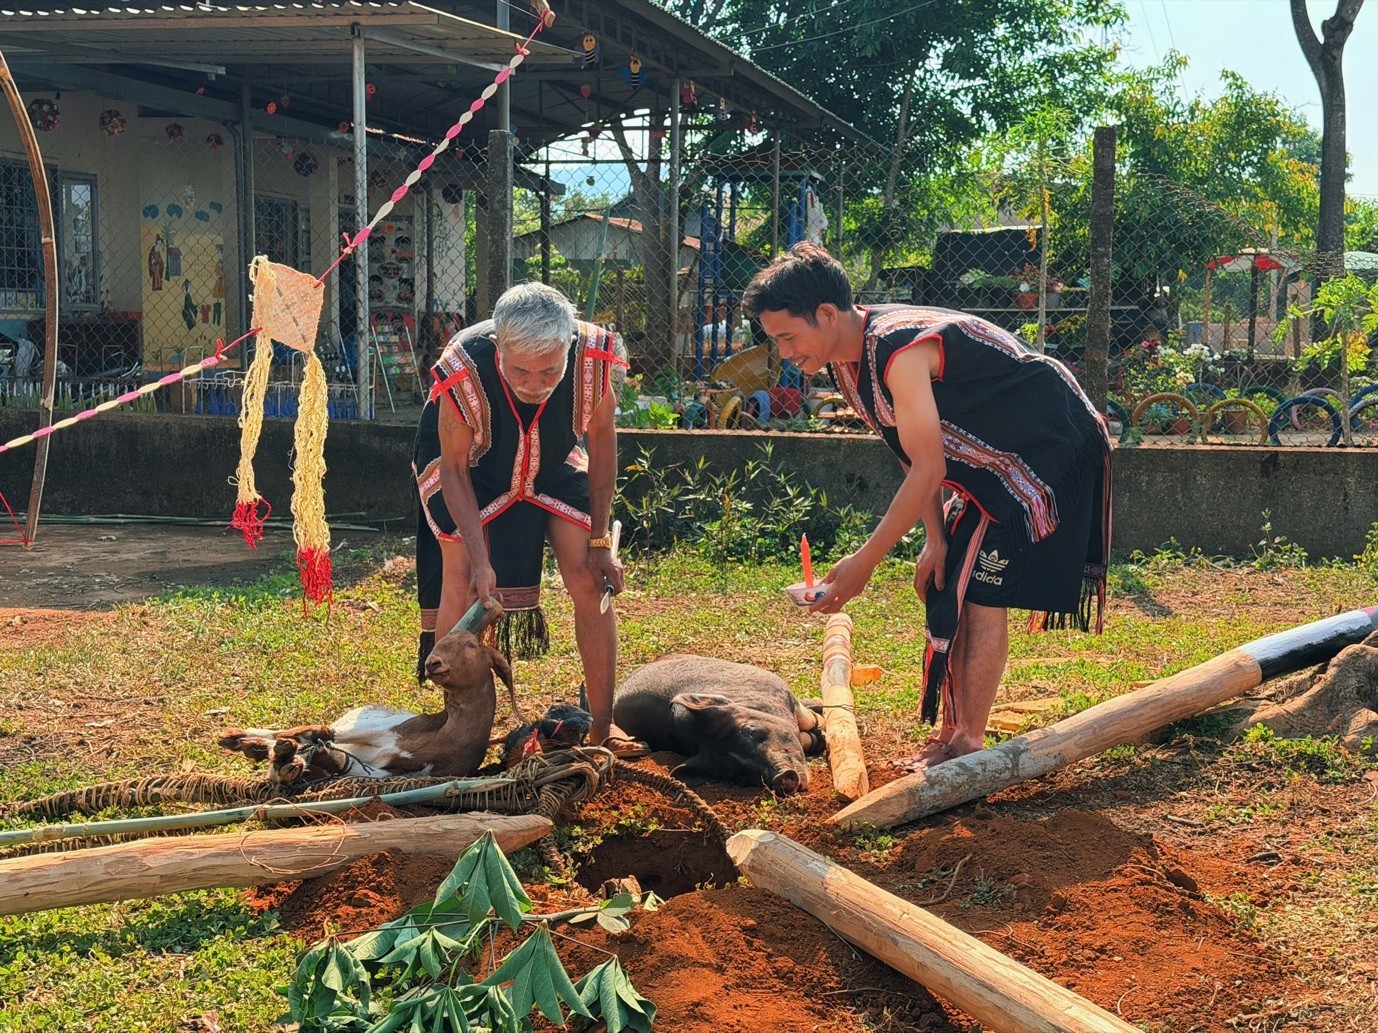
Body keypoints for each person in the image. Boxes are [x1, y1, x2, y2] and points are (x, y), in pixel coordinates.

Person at [742, 243, 1112, 771]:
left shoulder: (898, 350)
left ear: (825, 314)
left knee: (980, 592)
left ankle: (967, 742)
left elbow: (929, 468)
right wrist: (935, 539)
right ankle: (953, 736)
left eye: (787, 337)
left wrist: (864, 563)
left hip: (1049, 449)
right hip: (996, 461)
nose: (784, 353)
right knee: (951, 578)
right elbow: (912, 453)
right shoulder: (848, 363)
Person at [412, 282, 632, 748]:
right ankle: (454, 731)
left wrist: (600, 542)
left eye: (550, 370)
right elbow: (454, 469)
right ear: (498, 347)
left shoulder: (593, 360)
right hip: (473, 463)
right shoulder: (463, 367)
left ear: (568, 347)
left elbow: (602, 443)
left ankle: (602, 725)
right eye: (520, 371)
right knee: (463, 578)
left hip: (550, 456)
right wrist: (481, 560)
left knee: (591, 578)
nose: (535, 384)